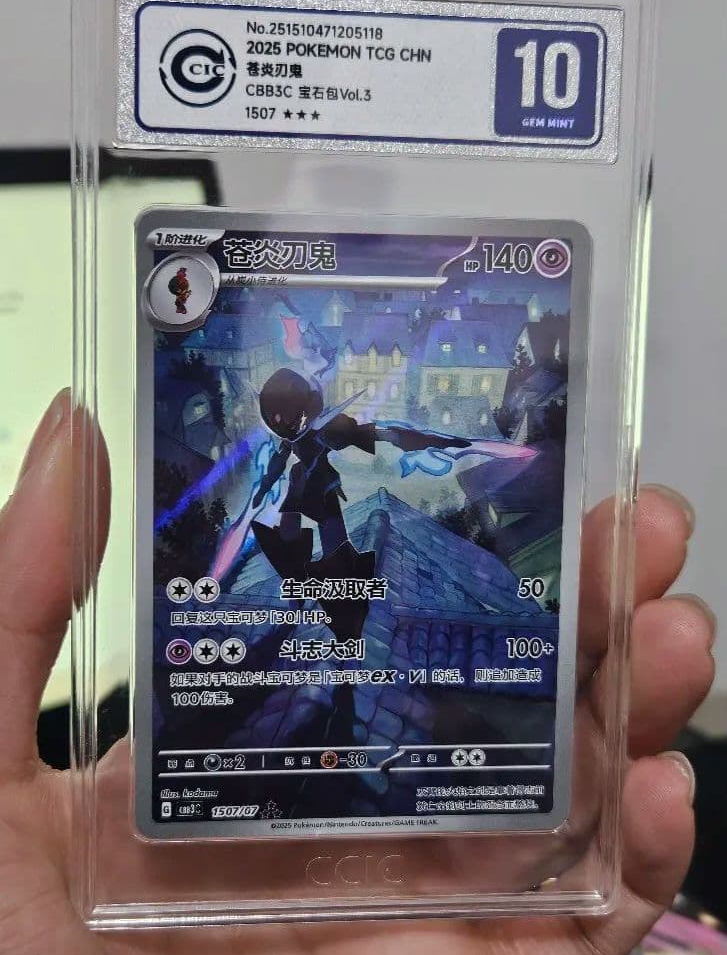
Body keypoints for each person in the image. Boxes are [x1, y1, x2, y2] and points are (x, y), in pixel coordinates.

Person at [0, 389, 715, 954]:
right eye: (282, 419)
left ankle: (336, 712)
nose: (287, 425)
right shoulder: (280, 462)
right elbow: (257, 515)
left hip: (332, 570)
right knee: (311, 664)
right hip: (306, 571)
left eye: (290, 417)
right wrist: (217, 582)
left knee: (342, 662)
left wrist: (474, 447)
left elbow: (398, 440)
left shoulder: (321, 446)